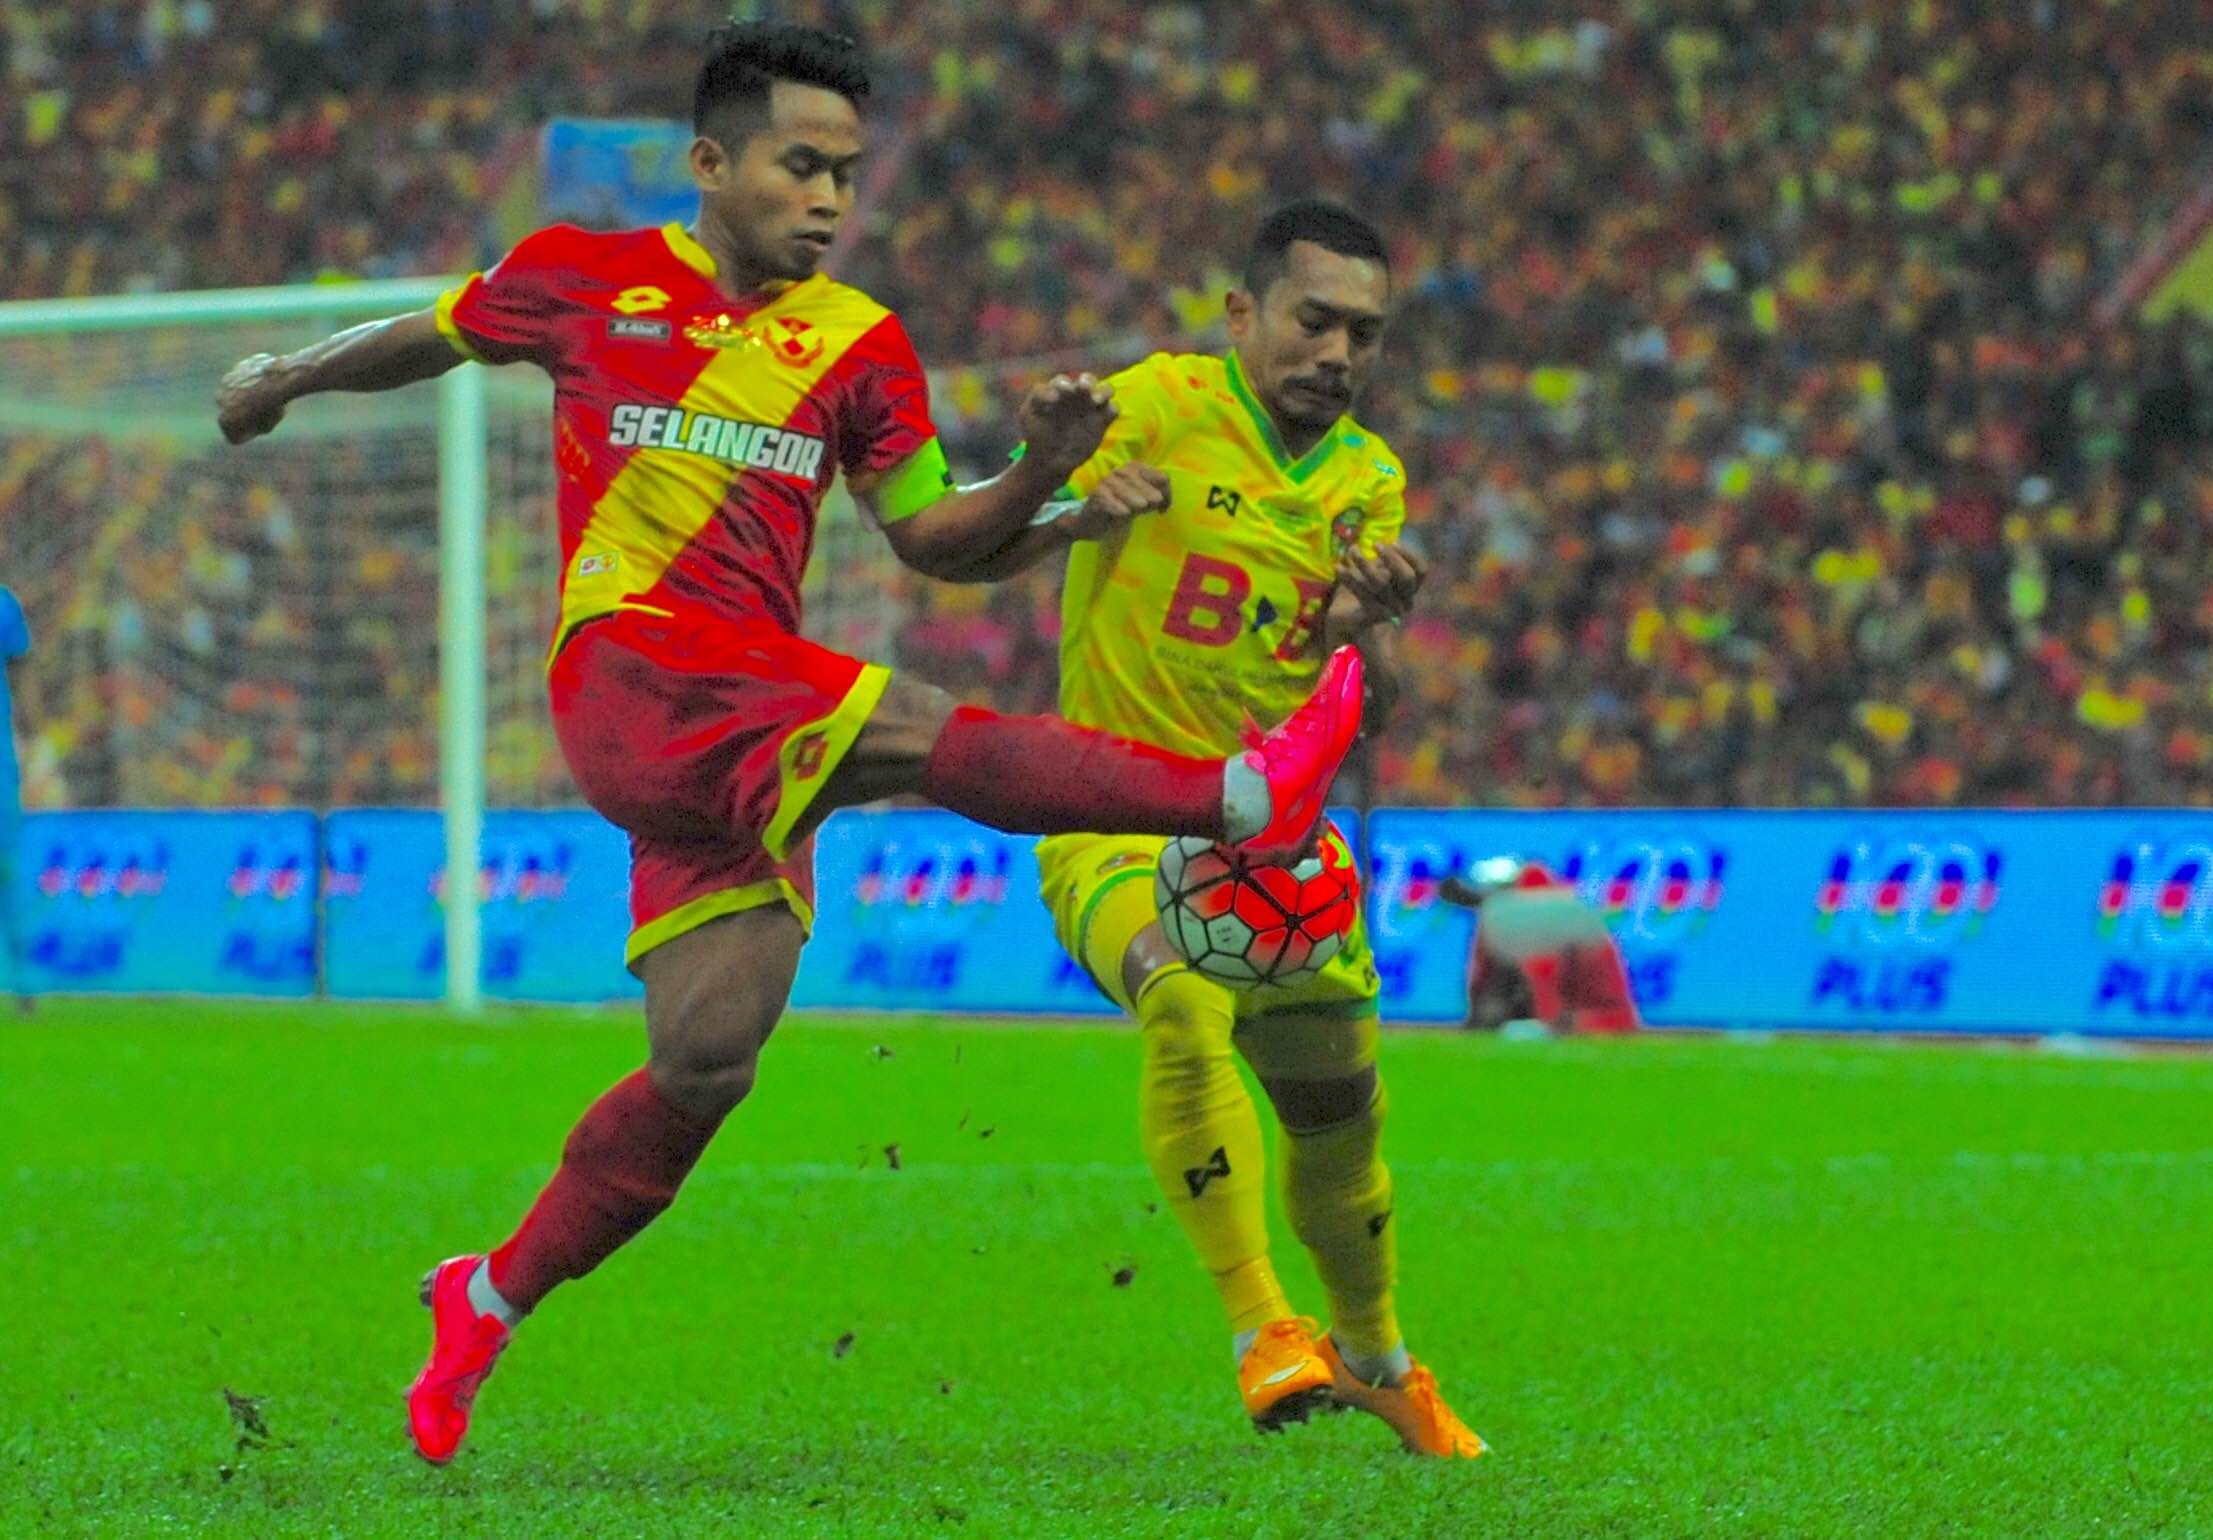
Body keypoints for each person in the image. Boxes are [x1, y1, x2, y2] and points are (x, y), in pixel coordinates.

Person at [213, 23, 1365, 1465]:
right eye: (800, 166)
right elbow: (427, 334)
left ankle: (489, 1296)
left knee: (706, 1062)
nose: (828, 199)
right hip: (634, 666)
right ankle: (1235, 797)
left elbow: (932, 536)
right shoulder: (581, 275)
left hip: (743, 734)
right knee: (918, 724)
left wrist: (1045, 479)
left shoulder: (860, 342)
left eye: (846, 174)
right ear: (711, 162)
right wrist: (284, 375)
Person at [943, 201, 1484, 1456]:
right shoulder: (1156, 403)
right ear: (1243, 312)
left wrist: (1361, 632)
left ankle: (1377, 1357)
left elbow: (1364, 713)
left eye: (1364, 333)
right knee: (1181, 994)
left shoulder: (1367, 480)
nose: (1338, 353)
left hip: (1278, 849)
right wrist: (1068, 506)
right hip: (1114, 815)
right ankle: (1262, 1328)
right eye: (1314, 320)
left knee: (1342, 1120)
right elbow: (964, 547)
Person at [1442, 858, 1642, 1035]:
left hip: (1570, 1009)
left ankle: (1549, 1023)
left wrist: (1479, 1020)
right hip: (1598, 1011)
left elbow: (1481, 979)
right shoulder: (1576, 905)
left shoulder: (1499, 911)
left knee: (1517, 988)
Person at [0, 583, 28, 1012]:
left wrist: (29, 730)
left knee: (4, 867)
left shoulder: (3, 604)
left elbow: (21, 669)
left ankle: (22, 978)